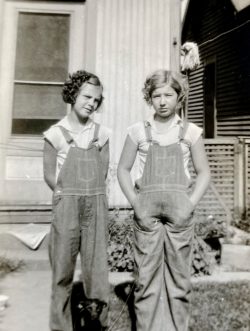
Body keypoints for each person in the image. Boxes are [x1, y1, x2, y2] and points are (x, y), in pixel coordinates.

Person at [117, 69, 211, 331]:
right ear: (149, 98)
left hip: (179, 212)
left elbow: (204, 172)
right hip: (146, 211)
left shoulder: (190, 132)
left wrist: (190, 203)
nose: (162, 101)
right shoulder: (137, 131)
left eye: (168, 95)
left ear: (179, 98)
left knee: (179, 278)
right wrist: (135, 202)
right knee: (145, 277)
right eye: (156, 95)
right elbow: (123, 169)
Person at [43, 70, 111, 331]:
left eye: (97, 99)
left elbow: (102, 172)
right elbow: (50, 175)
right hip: (66, 207)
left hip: (95, 206)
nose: (91, 103)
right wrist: (67, 196)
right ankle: (60, 327)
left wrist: (88, 194)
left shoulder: (102, 134)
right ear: (73, 94)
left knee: (97, 272)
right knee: (62, 272)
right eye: (86, 96)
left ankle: (98, 325)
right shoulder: (55, 134)